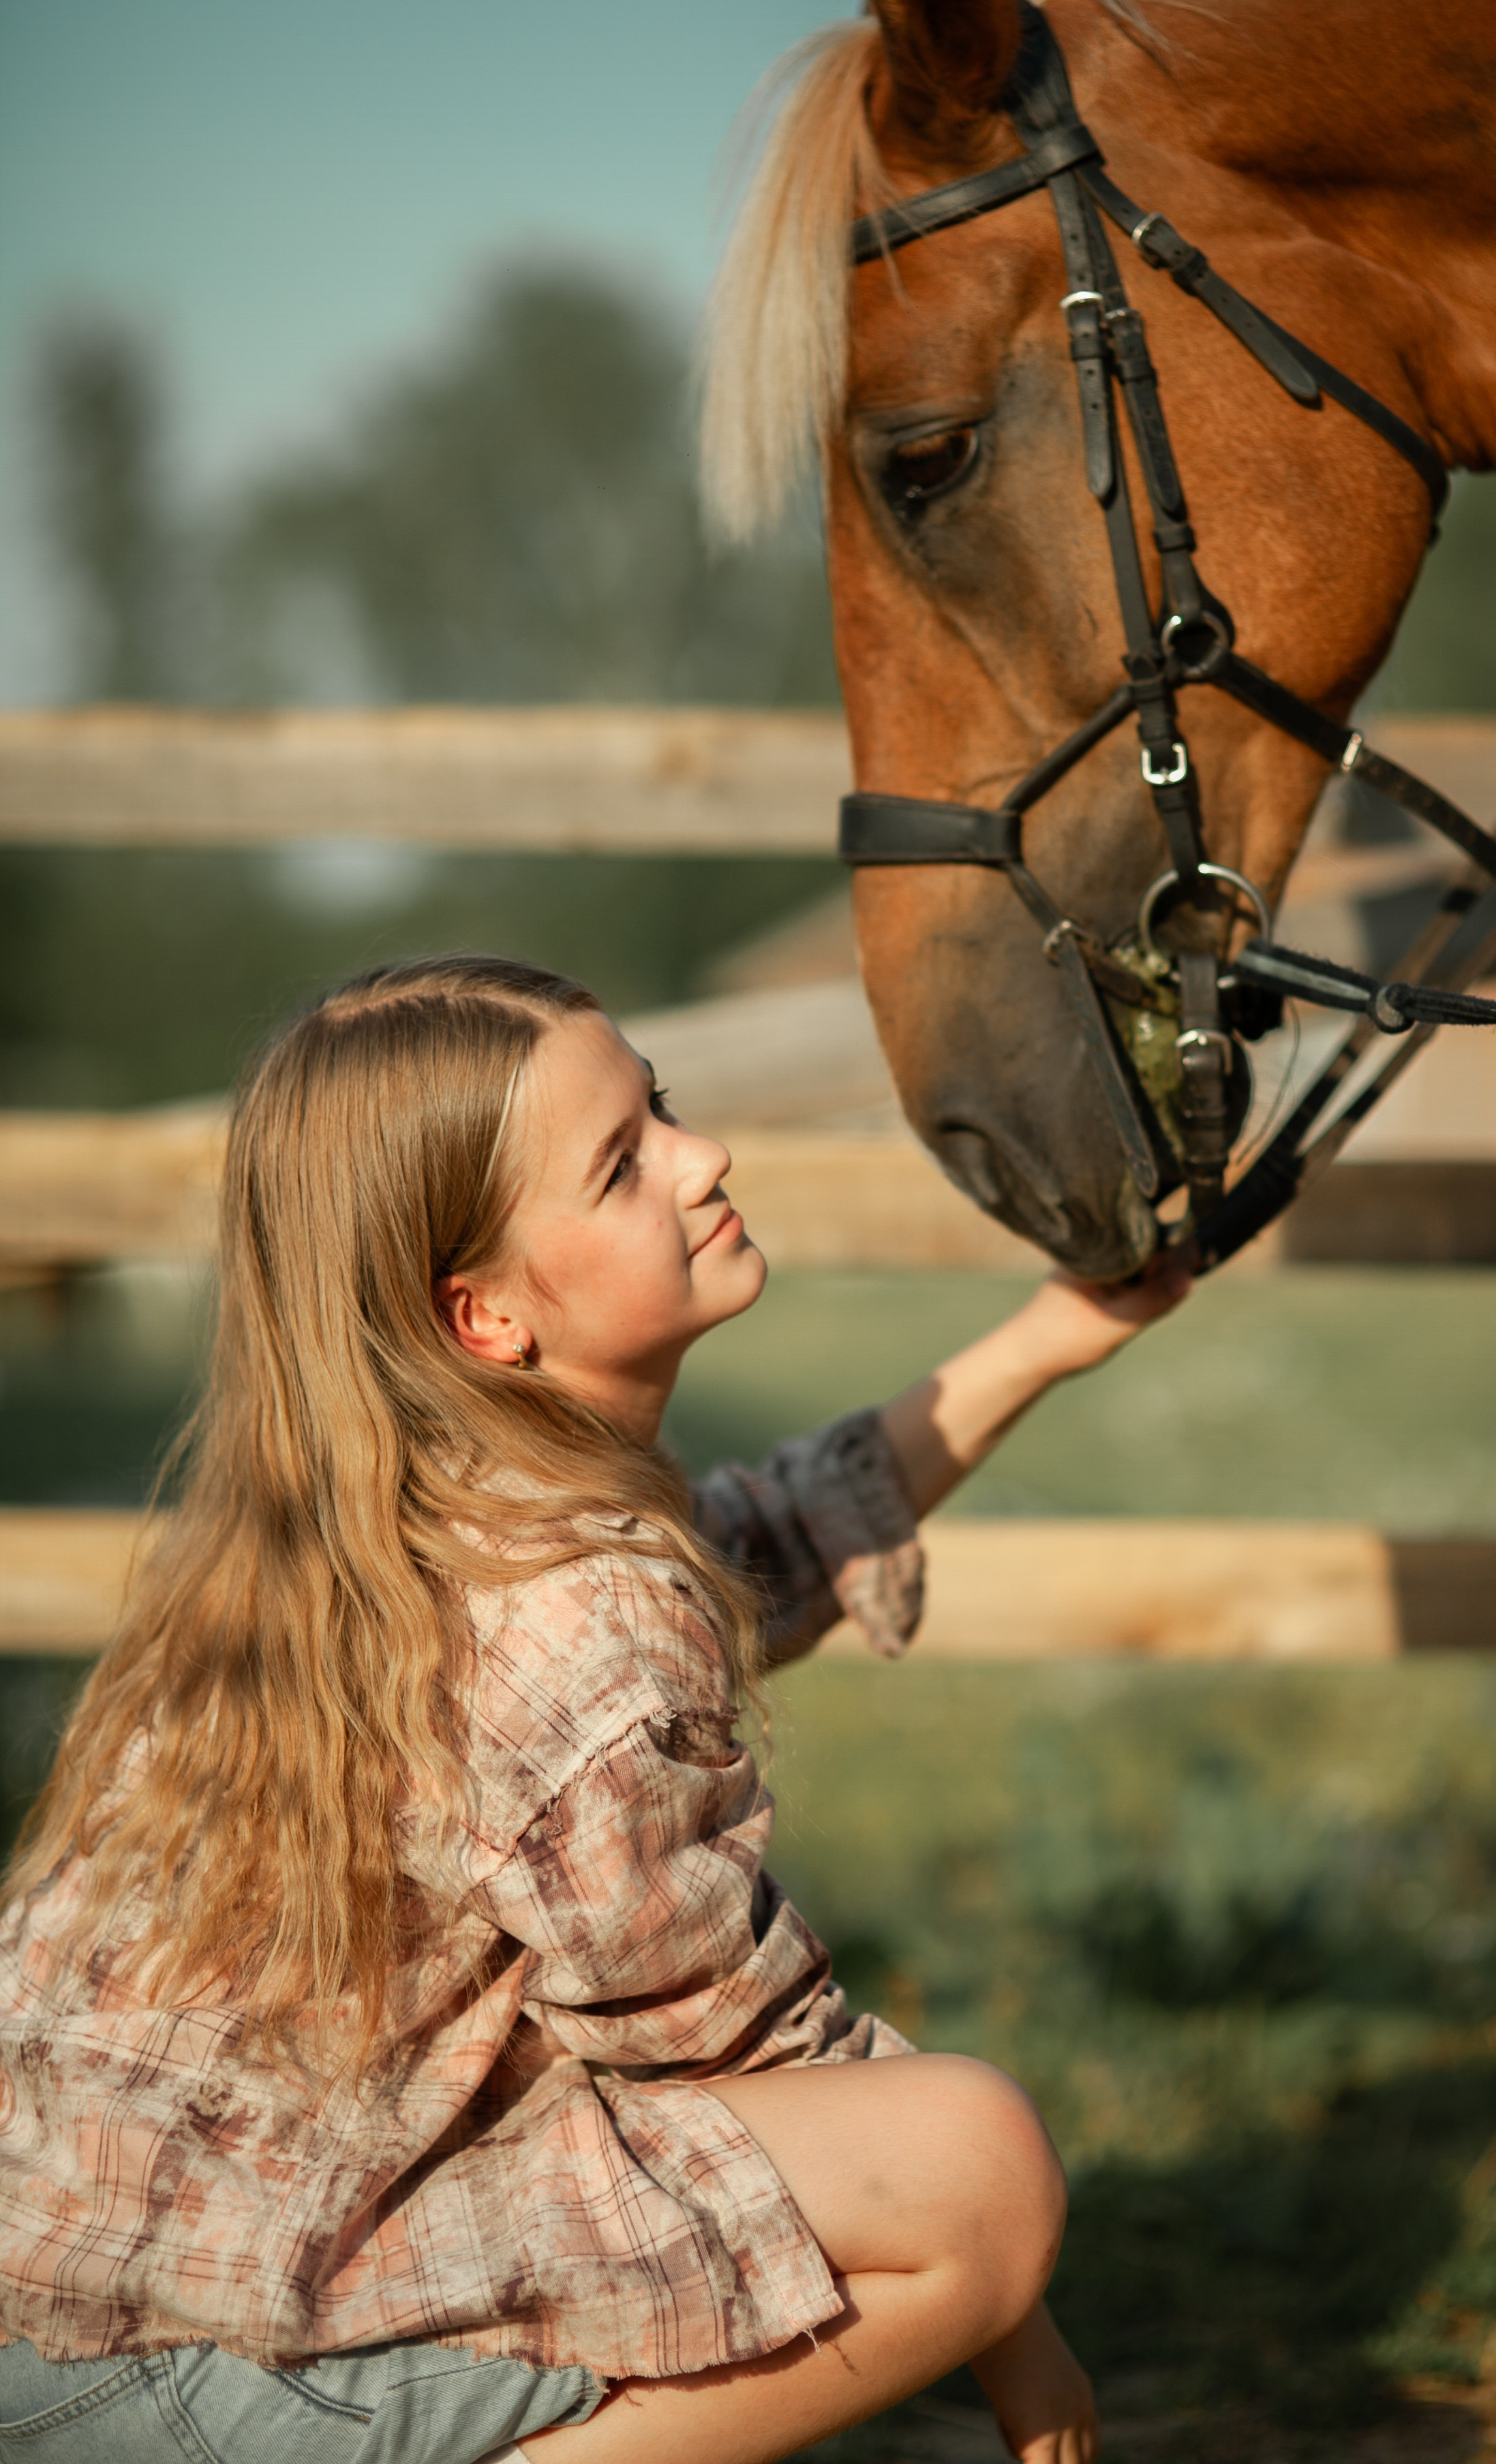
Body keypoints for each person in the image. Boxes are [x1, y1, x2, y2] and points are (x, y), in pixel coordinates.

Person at [0, 955, 1189, 2464]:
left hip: (61, 2312)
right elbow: (738, 2048)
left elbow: (748, 1553)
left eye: (664, 1109)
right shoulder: (574, 1600)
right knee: (978, 2168)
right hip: (200, 2380)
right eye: (624, 1165)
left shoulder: (404, 1515)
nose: (704, 1161)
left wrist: (1043, 1341)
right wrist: (1031, 2352)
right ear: (484, 1315)